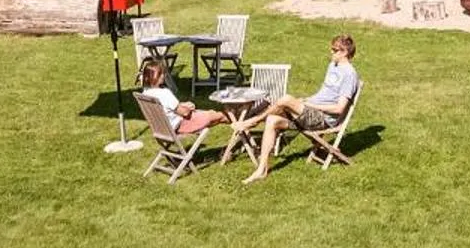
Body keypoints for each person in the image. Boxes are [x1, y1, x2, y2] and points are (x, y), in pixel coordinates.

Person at [243, 33, 358, 184]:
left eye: (334, 50)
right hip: (311, 113)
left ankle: (253, 121)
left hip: (323, 119)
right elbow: (323, 94)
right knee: (272, 120)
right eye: (332, 49)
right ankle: (261, 170)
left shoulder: (349, 75)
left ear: (344, 52)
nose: (331, 52)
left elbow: (339, 109)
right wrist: (306, 100)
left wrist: (310, 105)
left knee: (285, 99)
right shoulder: (333, 66)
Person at [135, 59, 230, 139]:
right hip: (181, 125)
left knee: (213, 114)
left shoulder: (146, 93)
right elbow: (185, 113)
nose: (164, 76)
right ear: (157, 76)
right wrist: (188, 107)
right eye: (162, 74)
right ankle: (241, 129)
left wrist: (183, 105)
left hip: (165, 129)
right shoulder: (164, 93)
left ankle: (241, 129)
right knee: (221, 115)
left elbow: (169, 108)